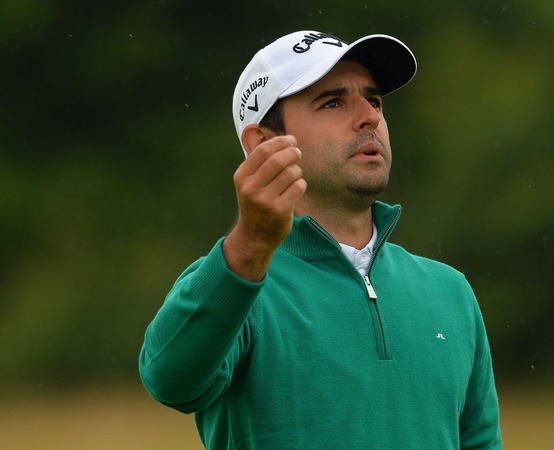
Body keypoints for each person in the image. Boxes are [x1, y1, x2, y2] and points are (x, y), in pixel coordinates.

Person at [139, 30, 502, 450]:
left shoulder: (449, 290)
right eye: (332, 102)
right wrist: (250, 245)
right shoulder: (235, 284)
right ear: (264, 145)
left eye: (374, 99)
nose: (369, 116)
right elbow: (168, 379)